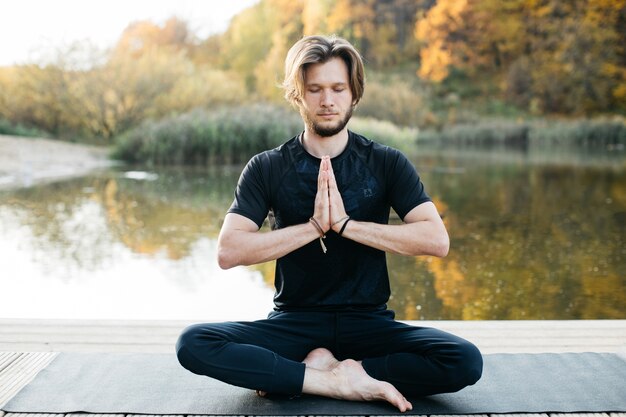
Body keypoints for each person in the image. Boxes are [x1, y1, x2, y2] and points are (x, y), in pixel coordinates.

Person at [176, 34, 482, 412]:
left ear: (354, 94)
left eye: (338, 88)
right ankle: (331, 381)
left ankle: (332, 373)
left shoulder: (386, 162)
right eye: (315, 89)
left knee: (464, 360)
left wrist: (346, 224)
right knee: (194, 343)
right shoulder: (267, 167)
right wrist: (314, 227)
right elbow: (229, 250)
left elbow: (436, 240)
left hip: (369, 323)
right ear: (297, 95)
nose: (327, 100)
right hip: (295, 322)